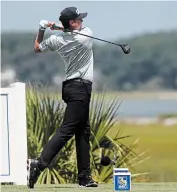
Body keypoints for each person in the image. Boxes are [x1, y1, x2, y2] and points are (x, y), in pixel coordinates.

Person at [27, 7, 98, 189]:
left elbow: (37, 48)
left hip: (70, 87)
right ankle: (39, 164)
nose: (82, 22)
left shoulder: (57, 40)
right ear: (73, 23)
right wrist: (58, 26)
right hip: (80, 88)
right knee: (67, 130)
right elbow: (73, 31)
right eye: (79, 19)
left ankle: (84, 177)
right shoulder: (86, 36)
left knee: (83, 130)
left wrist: (43, 28)